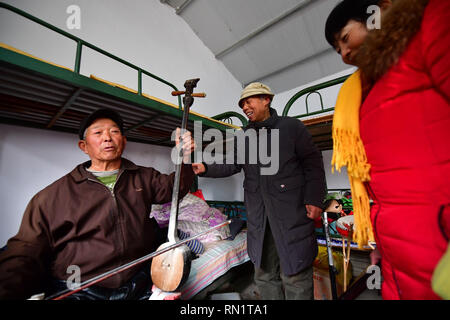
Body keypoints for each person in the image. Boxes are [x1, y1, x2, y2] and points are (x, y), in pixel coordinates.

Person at [0, 108, 195, 300]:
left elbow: (175, 189)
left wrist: (184, 157)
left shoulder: (144, 177)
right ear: (84, 146)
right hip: (81, 290)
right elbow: (25, 251)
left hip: (138, 280)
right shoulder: (52, 197)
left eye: (114, 131)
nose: (107, 137)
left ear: (124, 141)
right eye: (98, 133)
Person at [325, 0, 450, 299]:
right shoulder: (361, 90)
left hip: (437, 241)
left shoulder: (429, 27)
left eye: (344, 39)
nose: (344, 55)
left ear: (376, 13)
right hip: (396, 254)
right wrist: (381, 246)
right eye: (337, 50)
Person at [192, 82, 327, 300]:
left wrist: (314, 199)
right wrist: (206, 167)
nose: (245, 107)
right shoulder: (243, 136)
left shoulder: (292, 128)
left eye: (249, 101)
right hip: (259, 216)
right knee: (263, 274)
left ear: (267, 99)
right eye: (242, 104)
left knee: (295, 275)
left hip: (290, 213)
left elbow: (312, 163)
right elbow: (233, 164)